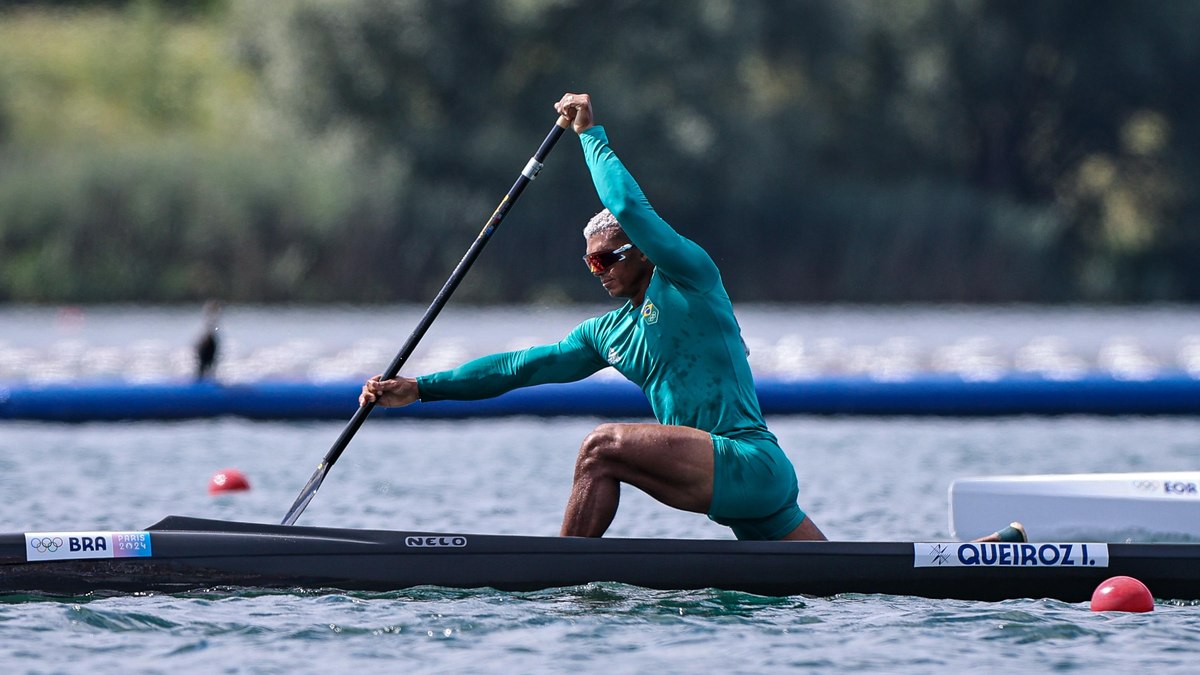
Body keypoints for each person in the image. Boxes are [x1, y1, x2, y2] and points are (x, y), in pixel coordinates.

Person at [361, 93, 1025, 545]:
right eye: (588, 264)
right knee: (842, 580)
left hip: (750, 461)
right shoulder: (608, 334)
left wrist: (590, 132)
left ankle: (559, 578)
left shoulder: (689, 274)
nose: (598, 272)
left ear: (638, 250)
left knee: (600, 448)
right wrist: (422, 387)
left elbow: (626, 199)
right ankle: (970, 555)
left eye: (607, 258)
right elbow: (519, 367)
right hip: (744, 483)